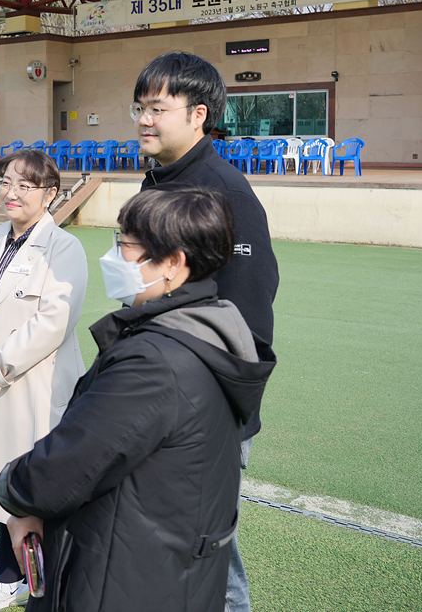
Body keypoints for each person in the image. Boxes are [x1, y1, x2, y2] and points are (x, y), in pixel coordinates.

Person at [0, 188, 275, 612]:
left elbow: (74, 458)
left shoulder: (154, 361)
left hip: (124, 575)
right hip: (171, 567)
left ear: (174, 264)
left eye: (126, 245)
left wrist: (15, 493)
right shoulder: (211, 330)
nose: (114, 256)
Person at [133, 51, 279, 612]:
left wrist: (221, 405)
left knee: (208, 545)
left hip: (201, 406)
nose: (145, 119)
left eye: (158, 108)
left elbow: (249, 312)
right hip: (155, 388)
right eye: (140, 107)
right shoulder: (160, 178)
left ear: (198, 115)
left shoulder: (224, 191)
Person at [0, 148, 87, 612]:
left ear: (50, 194)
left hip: (33, 387)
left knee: (30, 486)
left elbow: (54, 322)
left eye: (24, 186)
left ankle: (44, 583)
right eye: (5, 182)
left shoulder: (65, 249)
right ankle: (9, 580)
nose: (10, 193)